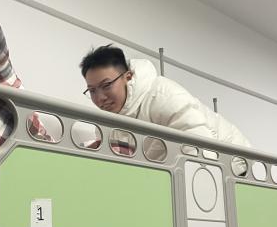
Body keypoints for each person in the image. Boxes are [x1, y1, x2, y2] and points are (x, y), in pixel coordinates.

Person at [79, 45, 251, 150]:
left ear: (128, 77)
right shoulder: (109, 124)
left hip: (239, 163)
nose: (100, 98)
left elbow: (201, 147)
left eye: (107, 85)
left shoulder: (161, 95)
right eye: (92, 90)